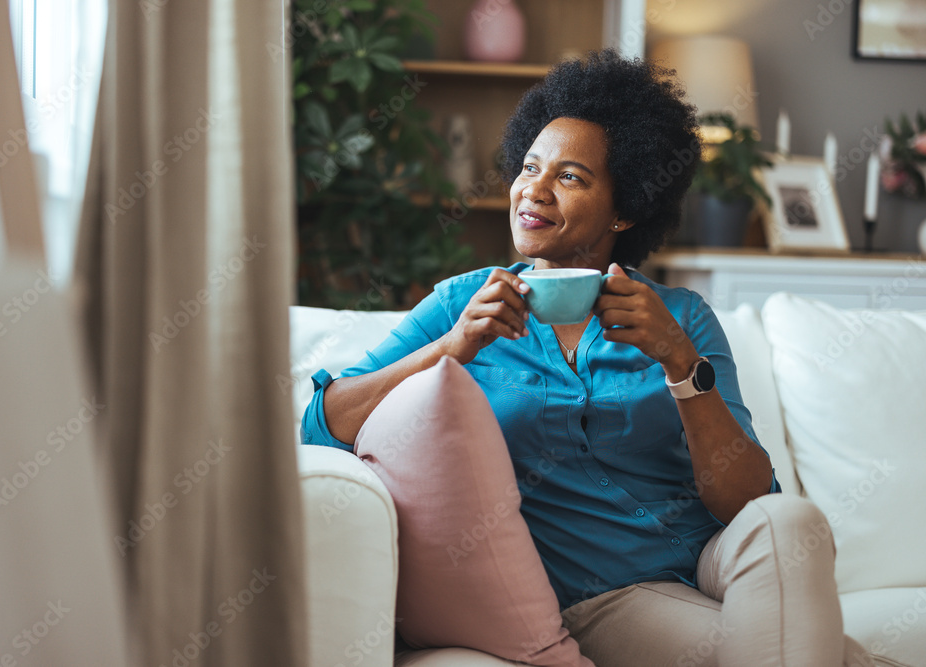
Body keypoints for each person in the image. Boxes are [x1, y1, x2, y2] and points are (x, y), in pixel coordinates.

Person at [302, 50, 870, 666]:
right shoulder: (463, 305)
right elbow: (322, 423)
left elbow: (748, 499)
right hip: (605, 594)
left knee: (790, 523)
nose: (533, 191)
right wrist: (451, 348)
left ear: (625, 208)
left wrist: (679, 360)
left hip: (713, 562)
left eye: (570, 177)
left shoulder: (677, 317)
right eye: (529, 167)